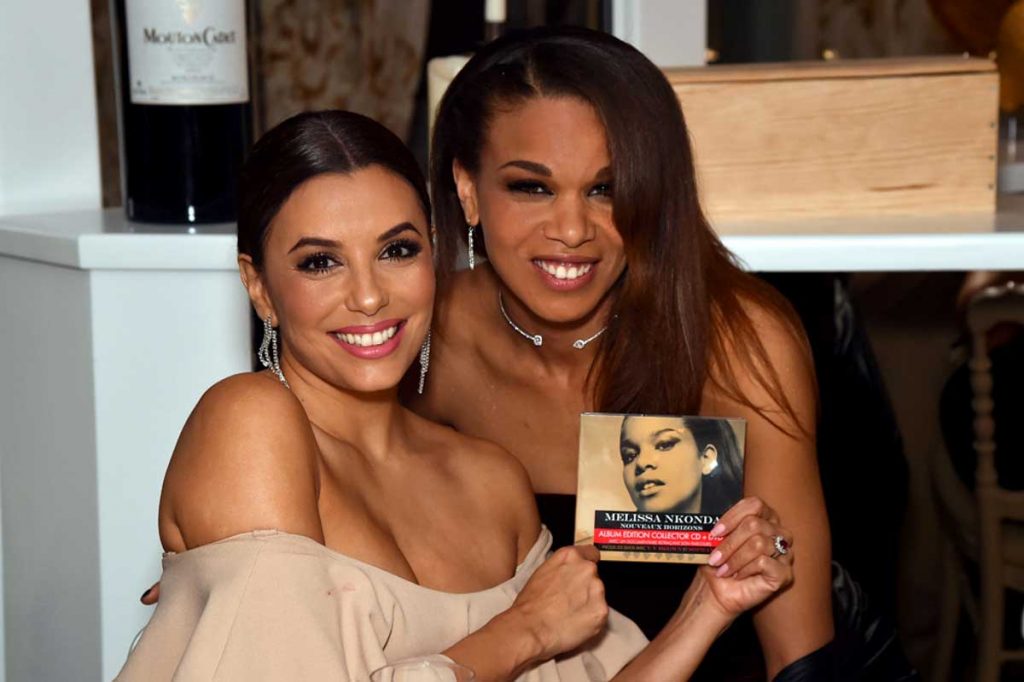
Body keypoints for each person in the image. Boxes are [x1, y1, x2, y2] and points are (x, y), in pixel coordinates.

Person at [120, 110, 795, 681]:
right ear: (260, 286)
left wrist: (710, 603)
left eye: (397, 250)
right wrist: (523, 632)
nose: (368, 296)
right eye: (320, 262)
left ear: (435, 255)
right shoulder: (251, 423)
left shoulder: (491, 481)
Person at [413, 26, 836, 680]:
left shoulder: (732, 344)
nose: (571, 230)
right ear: (467, 188)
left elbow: (798, 655)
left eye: (605, 189)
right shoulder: (423, 342)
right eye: (532, 187)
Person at [619, 415, 743, 517]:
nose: (641, 462)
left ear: (706, 458)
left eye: (664, 445)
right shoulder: (612, 535)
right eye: (630, 455)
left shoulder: (741, 530)